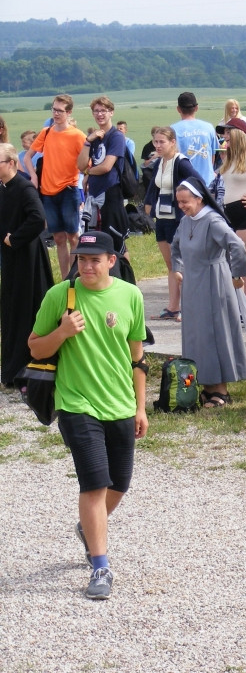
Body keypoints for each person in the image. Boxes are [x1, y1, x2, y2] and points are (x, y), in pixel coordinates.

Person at [28, 230, 148, 600]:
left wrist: (140, 407)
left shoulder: (130, 296)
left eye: (95, 260)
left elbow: (138, 358)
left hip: (120, 405)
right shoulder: (58, 297)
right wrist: (62, 332)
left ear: (112, 261)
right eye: (81, 259)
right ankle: (100, 566)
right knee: (94, 484)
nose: (86, 266)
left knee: (119, 484)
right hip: (76, 403)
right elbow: (34, 346)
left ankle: (87, 527)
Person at [170, 177, 246, 407]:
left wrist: (237, 274)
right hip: (194, 283)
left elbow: (236, 246)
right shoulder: (186, 221)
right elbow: (175, 246)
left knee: (215, 333)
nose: (182, 206)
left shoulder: (213, 221)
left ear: (199, 198)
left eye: (186, 201)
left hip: (215, 280)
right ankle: (205, 385)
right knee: (197, 334)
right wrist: (178, 268)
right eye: (179, 202)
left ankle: (221, 391)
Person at [0, 142, 54, 388]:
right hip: (12, 257)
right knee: (11, 309)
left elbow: (38, 218)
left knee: (26, 309)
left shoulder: (23, 187)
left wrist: (14, 238)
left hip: (28, 258)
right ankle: (11, 370)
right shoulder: (4, 188)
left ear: (10, 163)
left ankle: (29, 369)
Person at [23, 94, 87, 279]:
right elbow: (28, 157)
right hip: (47, 191)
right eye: (54, 109)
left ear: (69, 112)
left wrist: (81, 178)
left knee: (72, 235)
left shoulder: (77, 135)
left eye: (60, 110)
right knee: (58, 237)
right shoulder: (46, 132)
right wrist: (34, 176)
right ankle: (65, 277)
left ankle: (75, 275)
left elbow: (85, 162)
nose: (56, 113)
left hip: (68, 189)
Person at [144, 126, 201, 323]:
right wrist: (148, 207)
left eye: (162, 142)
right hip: (162, 220)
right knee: (171, 265)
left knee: (182, 265)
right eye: (155, 142)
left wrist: (186, 205)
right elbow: (153, 187)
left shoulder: (181, 162)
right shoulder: (160, 162)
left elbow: (198, 183)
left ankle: (190, 308)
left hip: (178, 221)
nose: (158, 145)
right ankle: (172, 308)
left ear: (173, 142)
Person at [218, 122, 246, 308]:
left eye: (228, 132)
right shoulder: (230, 158)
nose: (225, 136)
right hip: (231, 214)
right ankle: (244, 306)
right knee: (237, 263)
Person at [77, 96, 128, 255]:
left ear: (111, 112)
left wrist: (88, 172)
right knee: (96, 240)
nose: (100, 114)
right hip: (94, 194)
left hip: (110, 192)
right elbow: (80, 165)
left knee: (116, 242)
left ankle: (125, 276)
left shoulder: (116, 136)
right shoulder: (95, 138)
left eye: (103, 111)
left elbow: (106, 167)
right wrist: (87, 141)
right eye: (96, 111)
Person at [171, 92, 218, 188]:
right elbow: (212, 155)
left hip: (185, 184)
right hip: (208, 182)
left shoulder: (172, 130)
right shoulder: (209, 127)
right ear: (196, 108)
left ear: (178, 109)